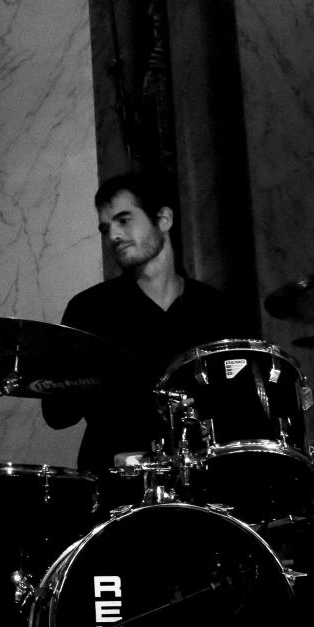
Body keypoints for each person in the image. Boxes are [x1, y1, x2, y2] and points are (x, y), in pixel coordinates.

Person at [41, 172, 246, 474]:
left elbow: (241, 407)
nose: (113, 235)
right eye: (105, 227)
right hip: (117, 486)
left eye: (124, 220)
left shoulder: (215, 308)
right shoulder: (90, 309)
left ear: (163, 219)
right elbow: (57, 415)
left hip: (204, 482)